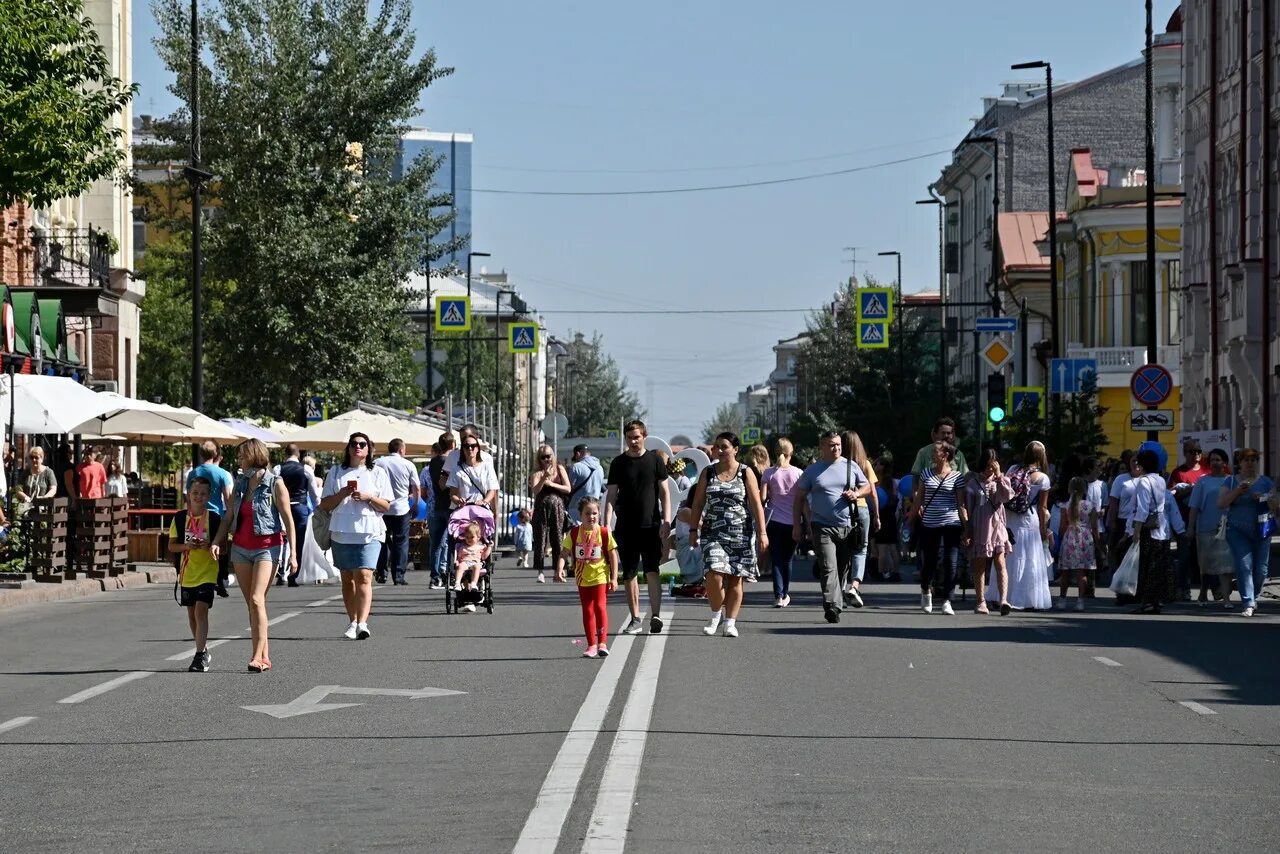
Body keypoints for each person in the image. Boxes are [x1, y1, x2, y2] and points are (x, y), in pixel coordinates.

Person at [210, 439, 297, 672]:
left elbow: (288, 519)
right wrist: (217, 540)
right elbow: (229, 516)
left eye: (241, 456)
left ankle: (257, 656)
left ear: (253, 455)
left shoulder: (275, 483)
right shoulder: (239, 482)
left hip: (267, 547)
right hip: (240, 548)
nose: (238, 460)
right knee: (253, 605)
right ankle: (265, 657)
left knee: (258, 600)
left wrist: (294, 554)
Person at [688, 432, 767, 637]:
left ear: (735, 449)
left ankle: (730, 622)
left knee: (735, 579)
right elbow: (697, 504)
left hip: (741, 533)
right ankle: (716, 615)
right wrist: (693, 529)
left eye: (724, 446)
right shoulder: (708, 472)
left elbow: (756, 504)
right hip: (712, 533)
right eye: (717, 447)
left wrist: (763, 533)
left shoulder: (745, 472)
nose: (720, 451)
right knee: (713, 574)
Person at [792, 430, 870, 624]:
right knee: (828, 566)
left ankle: (837, 602)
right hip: (821, 526)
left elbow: (867, 487)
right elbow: (799, 498)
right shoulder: (813, 470)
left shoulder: (850, 466)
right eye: (831, 445)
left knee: (842, 567)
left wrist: (857, 494)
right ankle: (831, 605)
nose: (836, 448)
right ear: (822, 447)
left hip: (847, 526)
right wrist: (797, 525)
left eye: (838, 445)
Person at [320, 432, 392, 639]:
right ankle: (352, 621)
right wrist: (342, 494)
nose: (358, 447)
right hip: (342, 531)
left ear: (369, 449)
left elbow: (386, 505)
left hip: (370, 532)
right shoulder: (335, 472)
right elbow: (325, 504)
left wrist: (369, 497)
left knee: (364, 575)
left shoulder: (378, 472)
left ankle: (362, 623)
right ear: (348, 448)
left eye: (362, 444)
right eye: (354, 444)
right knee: (347, 578)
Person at [604, 420, 671, 635]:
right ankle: (635, 619)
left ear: (644, 436)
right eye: (630, 438)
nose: (633, 441)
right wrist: (606, 524)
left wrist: (666, 521)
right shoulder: (618, 463)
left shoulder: (655, 460)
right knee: (630, 573)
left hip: (650, 525)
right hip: (626, 526)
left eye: (637, 437)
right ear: (626, 438)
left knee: (652, 570)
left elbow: (665, 493)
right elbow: (611, 496)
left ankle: (656, 616)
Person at [169, 477, 222, 672]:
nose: (198, 497)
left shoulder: (214, 519)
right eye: (195, 493)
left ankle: (199, 656)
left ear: (209, 496)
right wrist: (186, 546)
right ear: (188, 495)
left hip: (208, 572)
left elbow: (224, 548)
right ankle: (204, 649)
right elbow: (172, 546)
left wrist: (211, 546)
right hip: (187, 573)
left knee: (201, 610)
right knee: (191, 615)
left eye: (203, 494)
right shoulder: (180, 518)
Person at [1217, 448, 1277, 617]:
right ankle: (1248, 602)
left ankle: (1254, 595)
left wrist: (1266, 499)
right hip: (1237, 529)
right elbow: (1221, 503)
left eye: (1254, 460)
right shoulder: (1230, 482)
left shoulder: (1266, 482)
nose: (1250, 464)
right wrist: (1238, 491)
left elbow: (1276, 506)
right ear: (1240, 463)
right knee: (1244, 565)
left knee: (1262, 570)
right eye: (1246, 460)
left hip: (1262, 529)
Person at [557, 496, 619, 658]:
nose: (591, 517)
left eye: (594, 513)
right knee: (587, 610)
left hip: (601, 576)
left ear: (599, 514)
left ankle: (602, 643)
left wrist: (614, 578)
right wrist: (559, 569)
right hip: (582, 578)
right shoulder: (575, 533)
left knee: (599, 606)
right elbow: (564, 552)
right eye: (587, 513)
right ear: (580, 515)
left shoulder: (604, 533)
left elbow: (613, 555)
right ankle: (591, 645)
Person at [996, 441, 1053, 611]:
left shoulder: (1013, 469)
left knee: (1008, 556)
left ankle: (1004, 594)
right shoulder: (1042, 478)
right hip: (1029, 519)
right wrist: (1044, 531)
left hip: (1010, 518)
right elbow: (1042, 508)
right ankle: (1027, 598)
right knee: (1029, 557)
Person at [911, 440, 966, 615]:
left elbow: (961, 503)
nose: (932, 455)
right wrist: (911, 518)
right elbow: (919, 498)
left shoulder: (957, 477)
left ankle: (947, 599)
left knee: (952, 561)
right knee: (930, 560)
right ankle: (926, 590)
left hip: (952, 522)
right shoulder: (926, 473)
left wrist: (967, 526)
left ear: (945, 455)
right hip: (929, 522)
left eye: (935, 452)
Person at [963, 447, 1012, 614]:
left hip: (997, 526)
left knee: (1000, 563)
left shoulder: (1002, 481)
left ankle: (1003, 599)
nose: (990, 469)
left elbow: (1007, 497)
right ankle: (980, 601)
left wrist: (999, 476)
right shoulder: (973, 483)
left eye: (993, 465)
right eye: (988, 465)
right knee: (980, 566)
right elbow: (968, 509)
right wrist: (967, 531)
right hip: (980, 527)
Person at [1130, 448, 1175, 614]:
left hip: (1149, 528)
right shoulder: (1161, 480)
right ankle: (1157, 600)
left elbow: (1142, 509)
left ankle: (1147, 601)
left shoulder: (1143, 482)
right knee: (1158, 566)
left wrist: (1136, 531)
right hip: (1162, 526)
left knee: (1147, 565)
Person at [1187, 447, 1234, 606]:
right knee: (1206, 564)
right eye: (1212, 460)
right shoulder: (1203, 481)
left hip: (1226, 527)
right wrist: (1190, 527)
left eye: (1218, 460)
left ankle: (1226, 598)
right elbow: (1194, 506)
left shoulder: (1232, 481)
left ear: (1225, 462)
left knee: (1225, 563)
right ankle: (1202, 593)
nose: (1214, 463)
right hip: (1205, 528)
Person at [761, 437, 801, 607]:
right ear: (791, 452)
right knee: (788, 559)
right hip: (793, 522)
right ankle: (785, 593)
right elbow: (803, 499)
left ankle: (778, 596)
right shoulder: (799, 473)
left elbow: (762, 497)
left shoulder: (768, 473)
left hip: (773, 521)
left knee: (776, 559)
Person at [374, 438, 419, 586]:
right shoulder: (408, 464)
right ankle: (398, 575)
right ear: (401, 450)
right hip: (401, 508)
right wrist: (415, 504)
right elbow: (416, 487)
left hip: (382, 508)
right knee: (401, 541)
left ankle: (381, 571)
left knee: (382, 540)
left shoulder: (379, 463)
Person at [840, 431, 878, 608]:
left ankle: (839, 589)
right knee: (861, 549)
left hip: (841, 510)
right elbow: (873, 493)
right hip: (861, 509)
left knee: (843, 550)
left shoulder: (837, 464)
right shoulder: (865, 464)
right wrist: (877, 515)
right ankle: (854, 586)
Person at [1167, 439, 1207, 599]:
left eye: (1198, 451)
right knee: (1184, 554)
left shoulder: (1207, 470)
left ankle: (1208, 588)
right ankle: (1183, 588)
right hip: (1183, 520)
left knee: (1205, 555)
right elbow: (1172, 494)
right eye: (1192, 451)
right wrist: (1190, 490)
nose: (1196, 454)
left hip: (1204, 519)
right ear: (1185, 453)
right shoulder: (1178, 472)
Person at [277, 443, 321, 587]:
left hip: (282, 508)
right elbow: (314, 493)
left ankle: (281, 572)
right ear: (299, 455)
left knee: (283, 541)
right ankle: (294, 575)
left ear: (285, 454)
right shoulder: (306, 469)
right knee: (299, 541)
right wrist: (317, 508)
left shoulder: (278, 469)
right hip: (300, 507)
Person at [1055, 477, 1099, 611]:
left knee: (1065, 573)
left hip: (1070, 537)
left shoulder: (1065, 505)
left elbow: (1063, 526)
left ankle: (1062, 599)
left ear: (1069, 488)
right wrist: (1097, 542)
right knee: (1082, 572)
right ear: (1085, 489)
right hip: (1085, 538)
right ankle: (1080, 601)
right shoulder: (1090, 506)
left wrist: (1061, 537)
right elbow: (1095, 527)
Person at [529, 444, 571, 583]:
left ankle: (558, 570)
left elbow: (568, 488)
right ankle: (540, 571)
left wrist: (552, 484)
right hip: (541, 507)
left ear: (552, 456)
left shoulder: (559, 469)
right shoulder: (537, 473)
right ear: (539, 459)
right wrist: (543, 478)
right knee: (540, 539)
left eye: (548, 456)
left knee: (557, 538)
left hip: (557, 506)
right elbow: (535, 491)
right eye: (543, 457)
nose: (546, 459)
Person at [423, 433, 455, 589]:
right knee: (452, 542)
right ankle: (450, 574)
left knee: (435, 544)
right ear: (453, 445)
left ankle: (434, 577)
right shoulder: (450, 462)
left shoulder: (433, 461)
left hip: (436, 506)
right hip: (450, 505)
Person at [872, 458, 901, 583]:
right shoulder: (893, 483)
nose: (876, 465)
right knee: (893, 547)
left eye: (878, 463)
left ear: (883, 466)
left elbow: (875, 499)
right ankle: (896, 572)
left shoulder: (880, 482)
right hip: (891, 517)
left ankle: (880, 572)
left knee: (882, 548)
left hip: (882, 515)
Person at [565, 444, 604, 525]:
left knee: (578, 535)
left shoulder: (576, 467)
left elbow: (569, 489)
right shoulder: (600, 468)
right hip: (594, 508)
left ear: (578, 454)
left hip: (576, 509)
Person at [15, 447, 58, 516]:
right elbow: (18, 489)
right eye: (32, 457)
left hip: (43, 509)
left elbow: (53, 489)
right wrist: (26, 498)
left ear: (42, 458)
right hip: (26, 508)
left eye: (36, 457)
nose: (34, 460)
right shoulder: (26, 472)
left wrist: (44, 498)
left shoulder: (48, 472)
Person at [452, 521, 491, 591]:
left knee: (477, 567)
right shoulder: (462, 546)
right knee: (460, 566)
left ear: (478, 537)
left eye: (472, 537)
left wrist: (490, 547)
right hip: (465, 561)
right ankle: (457, 583)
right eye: (467, 537)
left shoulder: (481, 546)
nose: (469, 539)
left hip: (476, 562)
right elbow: (459, 557)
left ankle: (474, 583)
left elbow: (484, 557)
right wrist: (457, 561)